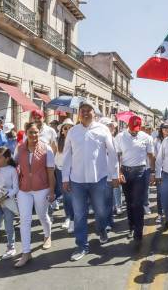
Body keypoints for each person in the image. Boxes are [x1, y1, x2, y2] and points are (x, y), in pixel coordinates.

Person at [62, 100, 119, 261]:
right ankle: (81, 245)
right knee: (80, 214)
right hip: (77, 180)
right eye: (82, 110)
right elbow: (66, 155)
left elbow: (113, 153)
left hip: (98, 179)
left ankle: (101, 229)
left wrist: (114, 175)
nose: (85, 112)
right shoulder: (73, 131)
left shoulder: (103, 130)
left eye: (89, 110)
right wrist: (65, 178)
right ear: (78, 113)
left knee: (101, 211)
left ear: (95, 113)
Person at [14, 122, 55, 267]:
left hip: (41, 188)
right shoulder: (20, 148)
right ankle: (26, 253)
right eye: (31, 132)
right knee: (25, 220)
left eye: (36, 132)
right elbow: (14, 166)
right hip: (23, 190)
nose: (34, 135)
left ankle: (47, 235)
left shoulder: (46, 149)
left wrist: (51, 190)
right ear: (26, 133)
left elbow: (51, 172)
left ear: (40, 133)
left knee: (42, 215)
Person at [115, 115, 154, 242]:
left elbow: (151, 156)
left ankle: (138, 231)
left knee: (138, 203)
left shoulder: (147, 138)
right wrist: (119, 171)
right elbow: (117, 156)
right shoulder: (120, 137)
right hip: (126, 172)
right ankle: (131, 227)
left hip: (140, 173)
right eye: (132, 129)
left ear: (140, 127)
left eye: (136, 129)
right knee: (129, 202)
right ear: (128, 126)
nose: (134, 131)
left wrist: (152, 172)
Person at [55, 118, 75, 233]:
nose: (68, 129)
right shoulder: (58, 141)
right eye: (65, 128)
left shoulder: (76, 140)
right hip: (60, 170)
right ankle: (68, 217)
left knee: (72, 196)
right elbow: (54, 156)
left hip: (73, 171)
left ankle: (73, 219)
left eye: (70, 127)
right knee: (66, 196)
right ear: (62, 130)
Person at [153, 123, 168, 223]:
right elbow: (154, 154)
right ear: (161, 129)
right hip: (160, 168)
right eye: (164, 127)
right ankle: (160, 214)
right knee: (159, 193)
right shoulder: (156, 140)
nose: (166, 129)